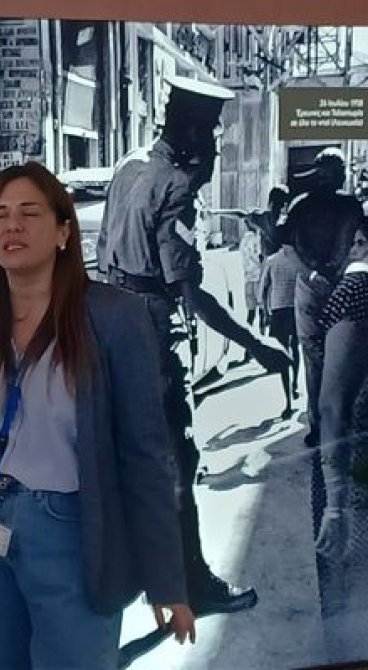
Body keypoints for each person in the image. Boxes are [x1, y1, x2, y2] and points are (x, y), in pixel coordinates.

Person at [0, 162, 194, 669]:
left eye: (29, 213)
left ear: (64, 231)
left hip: (70, 530)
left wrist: (165, 579)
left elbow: (145, 455)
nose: (12, 225)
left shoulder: (114, 316)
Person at [98, 75, 290, 619]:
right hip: (152, 341)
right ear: (190, 132)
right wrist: (257, 344)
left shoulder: (130, 165)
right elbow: (191, 293)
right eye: (210, 132)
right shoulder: (177, 187)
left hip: (113, 334)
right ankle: (191, 585)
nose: (214, 145)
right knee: (179, 464)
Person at [283, 148, 363, 448]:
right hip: (342, 285)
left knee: (314, 357)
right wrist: (339, 271)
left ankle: (319, 426)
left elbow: (286, 247)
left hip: (309, 287)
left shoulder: (300, 205)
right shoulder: (352, 205)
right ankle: (339, 424)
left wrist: (312, 273)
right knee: (344, 356)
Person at [313, 221, 368, 655]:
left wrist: (335, 503)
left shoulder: (354, 290)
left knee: (350, 606)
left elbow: (332, 405)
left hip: (355, 481)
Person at [259, 242, 306, 419]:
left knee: (283, 351)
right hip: (296, 308)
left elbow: (262, 290)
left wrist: (266, 311)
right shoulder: (299, 260)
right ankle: (295, 385)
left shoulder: (272, 261)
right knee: (296, 348)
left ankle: (288, 401)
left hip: (278, 310)